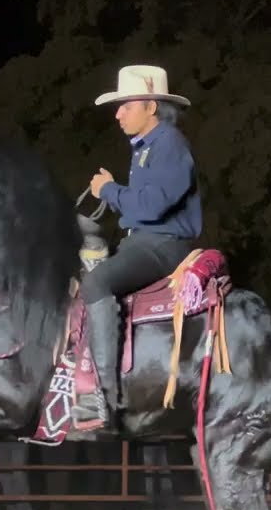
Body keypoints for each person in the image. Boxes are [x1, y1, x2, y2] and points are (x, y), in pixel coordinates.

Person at [79, 64, 203, 429]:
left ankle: (102, 394)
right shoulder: (147, 147)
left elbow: (152, 206)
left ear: (151, 106)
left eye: (125, 105)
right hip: (146, 242)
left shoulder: (169, 144)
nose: (118, 114)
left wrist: (109, 191)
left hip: (163, 246)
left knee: (96, 283)